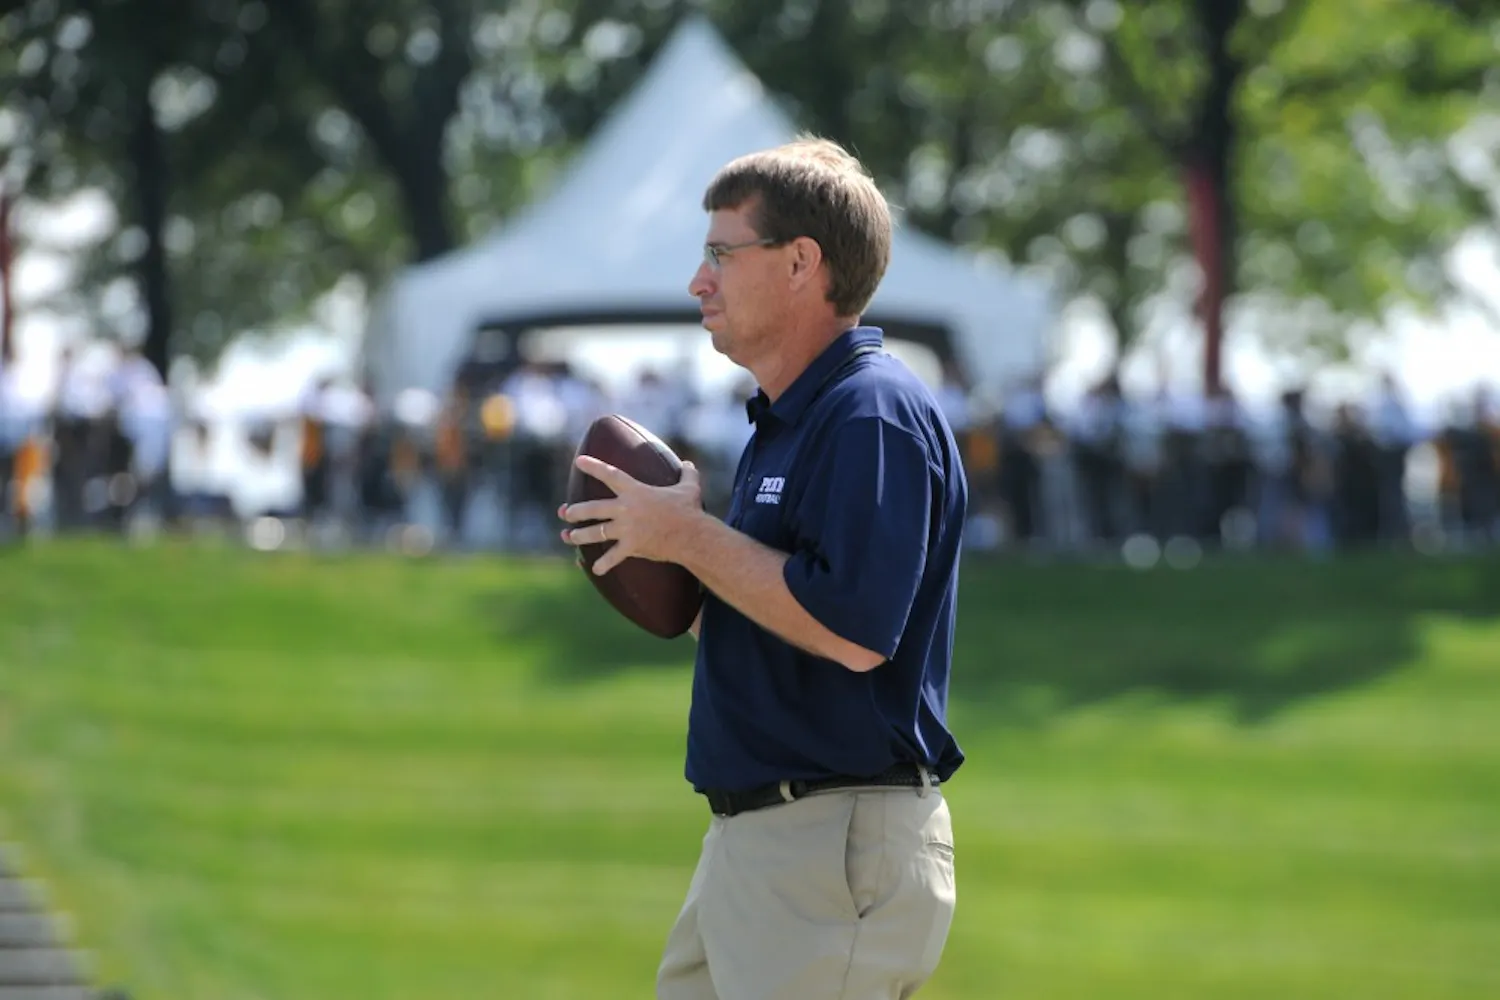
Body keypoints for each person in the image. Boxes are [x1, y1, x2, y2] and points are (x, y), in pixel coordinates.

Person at [558, 136, 967, 999]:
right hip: (763, 847)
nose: (698, 281)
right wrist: (660, 554)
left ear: (800, 264)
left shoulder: (871, 412)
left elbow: (854, 633)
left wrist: (692, 540)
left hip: (827, 844)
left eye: (720, 252)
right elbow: (788, 614)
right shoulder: (795, 418)